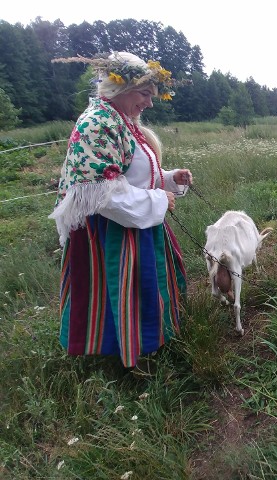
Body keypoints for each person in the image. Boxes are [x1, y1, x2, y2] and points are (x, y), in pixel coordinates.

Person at [49, 52, 192, 369]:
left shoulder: (123, 121)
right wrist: (158, 200)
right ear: (121, 86)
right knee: (122, 290)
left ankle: (150, 342)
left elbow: (131, 174)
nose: (149, 103)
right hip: (112, 234)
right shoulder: (97, 124)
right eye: (145, 94)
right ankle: (124, 357)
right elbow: (102, 194)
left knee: (144, 288)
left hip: (136, 224)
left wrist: (168, 179)